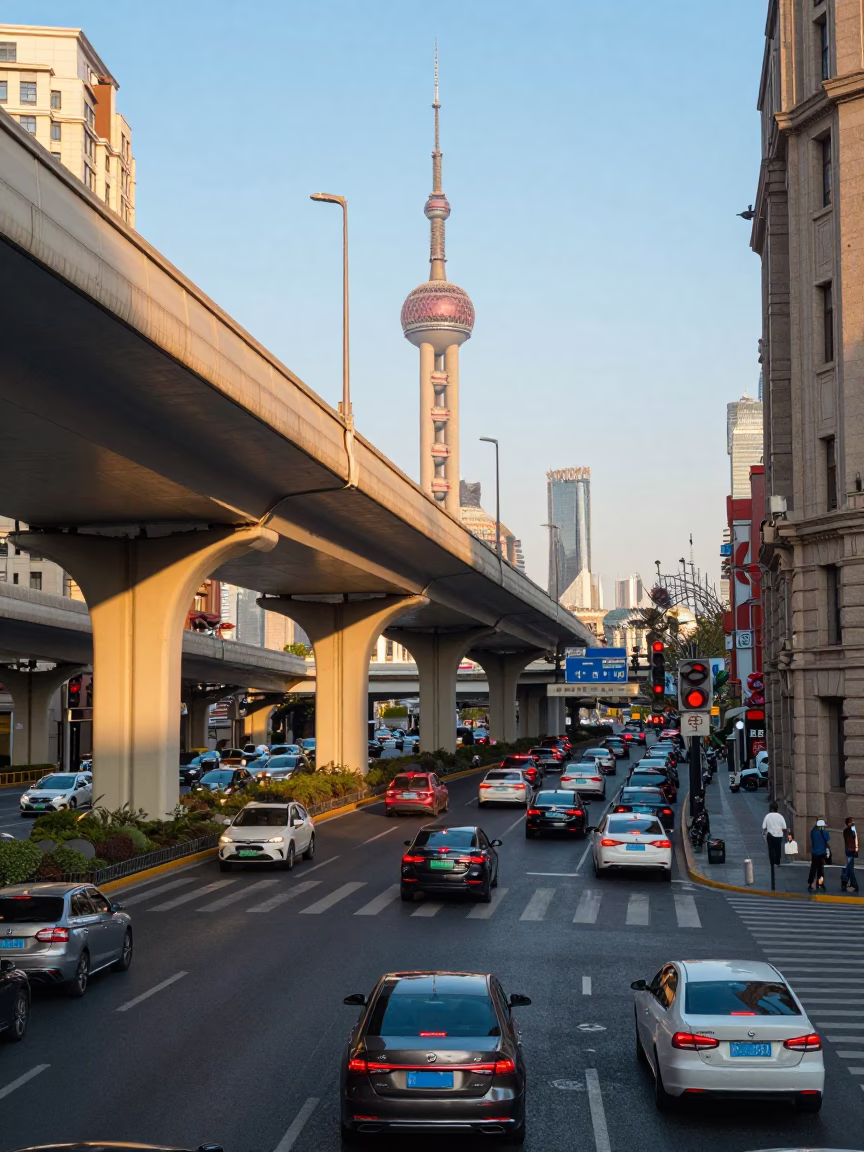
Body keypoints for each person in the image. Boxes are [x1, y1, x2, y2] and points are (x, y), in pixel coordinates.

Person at [762, 802, 788, 869]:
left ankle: (772, 862)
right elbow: (784, 828)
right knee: (778, 849)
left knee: (771, 849)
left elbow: (764, 827)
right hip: (779, 836)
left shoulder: (767, 816)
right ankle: (777, 862)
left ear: (771, 809)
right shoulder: (780, 816)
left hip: (770, 835)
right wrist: (779, 831)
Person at [808, 819, 830, 891]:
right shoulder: (824, 832)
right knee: (820, 869)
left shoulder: (813, 832)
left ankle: (811, 883)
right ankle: (820, 884)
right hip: (821, 853)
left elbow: (812, 838)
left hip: (814, 853)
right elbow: (828, 838)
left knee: (813, 869)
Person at [842, 816, 859, 893]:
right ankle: (853, 884)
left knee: (849, 866)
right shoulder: (852, 829)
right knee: (850, 868)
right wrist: (856, 848)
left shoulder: (845, 831)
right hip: (852, 850)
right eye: (852, 821)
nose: (853, 822)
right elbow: (855, 839)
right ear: (849, 823)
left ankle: (845, 881)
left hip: (848, 850)